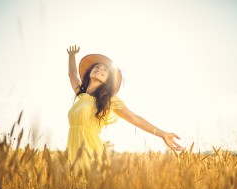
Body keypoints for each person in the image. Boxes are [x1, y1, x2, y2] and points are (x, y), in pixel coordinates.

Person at [67, 45, 182, 175]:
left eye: (105, 70)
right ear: (90, 72)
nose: (100, 69)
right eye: (97, 67)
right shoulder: (81, 95)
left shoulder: (109, 100)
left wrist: (163, 134)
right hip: (73, 151)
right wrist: (71, 55)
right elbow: (72, 74)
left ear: (107, 80)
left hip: (91, 152)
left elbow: (134, 118)